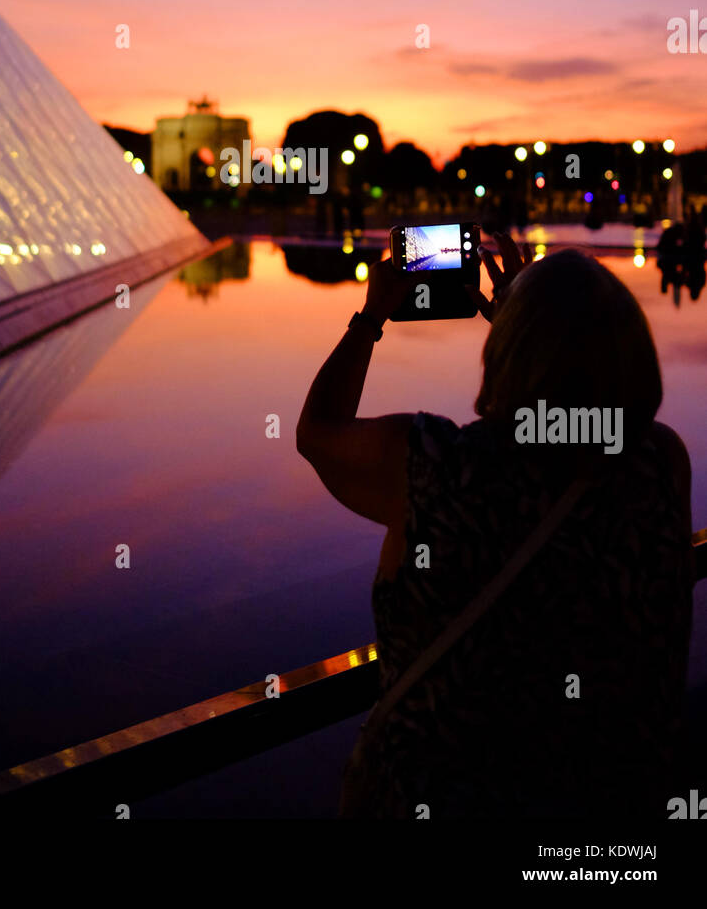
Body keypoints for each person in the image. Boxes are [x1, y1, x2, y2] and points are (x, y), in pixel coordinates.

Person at [297, 236, 693, 818]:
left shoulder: (436, 466)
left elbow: (318, 431)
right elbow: (574, 425)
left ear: (507, 351)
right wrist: (532, 322)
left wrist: (372, 315)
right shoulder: (661, 463)